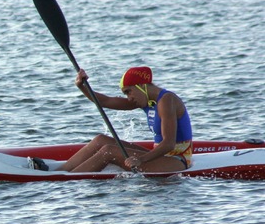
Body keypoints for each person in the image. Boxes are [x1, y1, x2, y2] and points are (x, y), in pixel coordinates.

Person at [58, 66, 193, 172]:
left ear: (142, 85)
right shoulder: (147, 101)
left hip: (177, 160)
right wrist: (82, 86)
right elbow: (106, 101)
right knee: (100, 140)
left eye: (128, 91)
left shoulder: (166, 100)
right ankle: (60, 173)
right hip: (160, 156)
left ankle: (67, 182)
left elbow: (168, 143)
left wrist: (140, 160)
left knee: (108, 151)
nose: (129, 98)